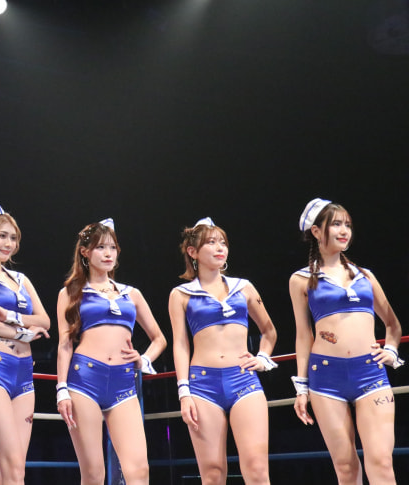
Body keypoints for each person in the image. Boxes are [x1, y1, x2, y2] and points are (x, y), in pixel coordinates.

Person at [289, 199, 403, 484]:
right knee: (346, 468)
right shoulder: (301, 280)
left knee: (381, 462)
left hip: (370, 373)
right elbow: (303, 336)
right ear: (316, 231)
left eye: (348, 225)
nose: (344, 231)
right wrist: (301, 388)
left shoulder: (365, 276)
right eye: (336, 224)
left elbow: (393, 324)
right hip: (325, 378)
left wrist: (391, 350)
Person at [56, 219, 166, 485]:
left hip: (124, 383)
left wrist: (144, 359)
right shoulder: (71, 292)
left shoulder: (132, 294)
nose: (108, 254)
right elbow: (65, 344)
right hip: (84, 381)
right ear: (85, 252)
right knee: (94, 474)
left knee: (139, 470)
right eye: (100, 247)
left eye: (112, 248)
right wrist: (61, 389)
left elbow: (159, 338)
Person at [168, 217, 277, 485]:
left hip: (244, 380)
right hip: (202, 385)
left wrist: (263, 357)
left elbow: (269, 331)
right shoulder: (181, 294)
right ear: (192, 252)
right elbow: (180, 344)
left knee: (257, 469)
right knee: (213, 473)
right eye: (211, 243)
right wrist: (184, 392)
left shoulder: (244, 287)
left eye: (223, 243)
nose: (220, 248)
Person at [0, 203, 50, 485]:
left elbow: (44, 320)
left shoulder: (20, 279)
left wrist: (11, 316)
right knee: (13, 468)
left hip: (24, 372)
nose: (9, 244)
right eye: (2, 236)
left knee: (11, 471)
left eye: (13, 238)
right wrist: (21, 333)